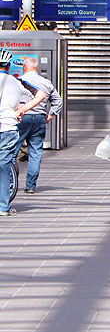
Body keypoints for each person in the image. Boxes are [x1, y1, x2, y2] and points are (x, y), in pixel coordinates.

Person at [0, 49, 47, 217]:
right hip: (7, 126)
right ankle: (3, 207)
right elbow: (41, 94)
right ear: (8, 65)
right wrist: (21, 110)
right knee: (4, 166)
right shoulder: (16, 81)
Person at [14, 57, 62, 195]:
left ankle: (11, 182)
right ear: (36, 68)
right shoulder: (46, 82)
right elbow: (57, 101)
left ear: (24, 67)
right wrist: (50, 115)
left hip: (21, 118)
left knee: (12, 151)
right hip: (39, 119)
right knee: (35, 153)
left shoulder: (18, 82)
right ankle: (30, 186)